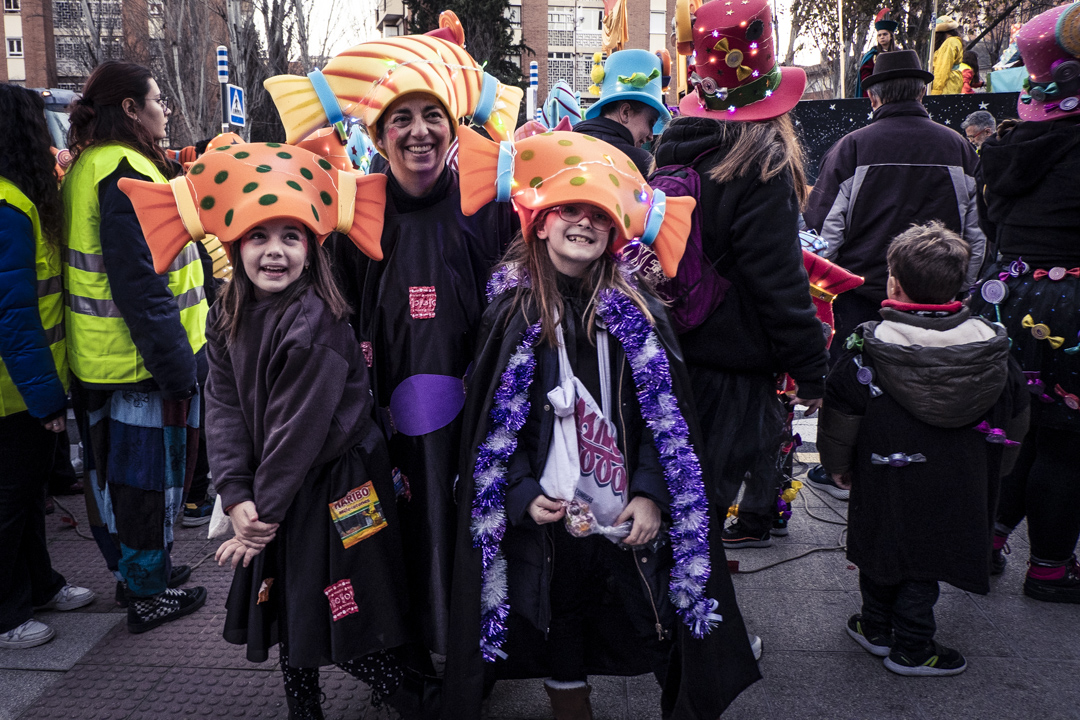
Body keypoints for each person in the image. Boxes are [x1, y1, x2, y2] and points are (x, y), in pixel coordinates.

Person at [444, 128, 760, 720]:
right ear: (539, 222)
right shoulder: (509, 313)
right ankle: (572, 707)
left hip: (625, 507)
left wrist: (649, 493)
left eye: (598, 214)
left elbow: (665, 423)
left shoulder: (639, 314)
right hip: (552, 512)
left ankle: (685, 703)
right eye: (568, 208)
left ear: (615, 231)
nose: (583, 223)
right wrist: (518, 493)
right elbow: (491, 431)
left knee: (659, 607)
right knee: (560, 612)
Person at [119, 137, 436, 719]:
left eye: (291, 237)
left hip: (342, 487)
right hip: (278, 489)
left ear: (313, 251)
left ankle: (415, 696)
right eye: (259, 236)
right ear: (234, 245)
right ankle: (303, 706)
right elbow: (222, 407)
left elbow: (299, 429)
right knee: (288, 597)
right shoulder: (228, 313)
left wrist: (255, 518)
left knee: (350, 606)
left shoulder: (315, 320)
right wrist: (235, 494)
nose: (275, 251)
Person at [272, 25, 526, 660]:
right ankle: (393, 655)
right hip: (377, 428)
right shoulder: (355, 209)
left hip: (474, 423)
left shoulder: (487, 207)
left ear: (452, 125)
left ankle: (473, 651)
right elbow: (332, 315)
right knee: (384, 540)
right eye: (401, 119)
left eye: (432, 116)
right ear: (379, 135)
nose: (419, 131)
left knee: (466, 530)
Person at [654, 0, 829, 547]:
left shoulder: (672, 151)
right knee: (704, 508)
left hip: (672, 348)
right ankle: (699, 628)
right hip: (732, 367)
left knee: (675, 497)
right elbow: (776, 280)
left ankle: (674, 620)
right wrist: (811, 368)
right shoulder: (763, 163)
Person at [819, 222, 1027, 676]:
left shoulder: (868, 349)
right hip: (960, 476)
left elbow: (840, 413)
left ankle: (890, 635)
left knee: (881, 540)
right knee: (927, 556)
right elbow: (1015, 416)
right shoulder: (991, 349)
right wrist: (1001, 466)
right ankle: (911, 641)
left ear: (893, 282)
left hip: (883, 472)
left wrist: (836, 465)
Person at [62, 60, 208, 632]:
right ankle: (146, 593)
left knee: (116, 480)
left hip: (105, 357)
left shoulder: (87, 166)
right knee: (144, 481)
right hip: (137, 361)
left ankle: (138, 573)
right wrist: (176, 366)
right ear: (129, 108)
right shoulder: (125, 170)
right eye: (157, 98)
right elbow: (140, 283)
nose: (165, 108)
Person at [970, 1, 1080, 603]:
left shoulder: (1007, 150)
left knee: (1019, 427)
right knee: (1066, 442)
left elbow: (992, 222)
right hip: (1072, 309)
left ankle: (987, 538)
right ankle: (1051, 566)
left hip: (1008, 297)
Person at [804, 49, 986, 369]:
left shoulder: (853, 147)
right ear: (922, 92)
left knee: (855, 397)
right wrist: (961, 289)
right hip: (940, 308)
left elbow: (824, 239)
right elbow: (978, 232)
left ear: (873, 98)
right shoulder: (958, 146)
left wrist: (820, 300)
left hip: (860, 306)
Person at [0, 83, 95, 650]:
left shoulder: (17, 200)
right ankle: (7, 612)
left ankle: (39, 584)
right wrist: (44, 399)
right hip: (13, 390)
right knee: (11, 501)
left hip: (24, 384)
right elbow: (13, 315)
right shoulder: (9, 208)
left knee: (28, 492)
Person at [575, 49, 670, 173]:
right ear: (625, 112)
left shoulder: (572, 142)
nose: (651, 136)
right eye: (650, 123)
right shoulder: (639, 162)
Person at [855, 9, 899, 98]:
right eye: (879, 35)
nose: (882, 37)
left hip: (895, 92)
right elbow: (865, 75)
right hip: (876, 94)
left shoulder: (899, 54)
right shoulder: (872, 55)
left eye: (885, 34)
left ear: (891, 36)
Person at [931, 17, 965, 95]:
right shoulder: (955, 41)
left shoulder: (949, 43)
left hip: (946, 86)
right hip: (953, 82)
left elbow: (942, 68)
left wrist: (936, 91)